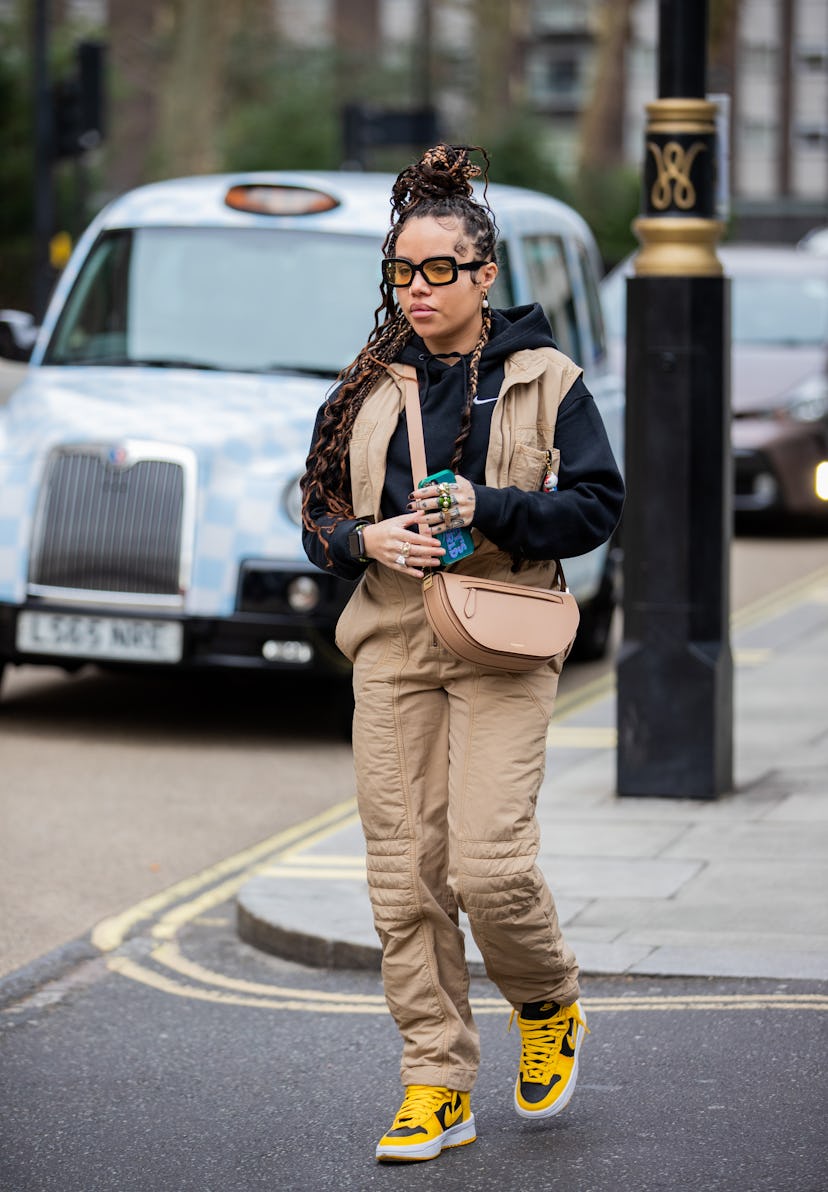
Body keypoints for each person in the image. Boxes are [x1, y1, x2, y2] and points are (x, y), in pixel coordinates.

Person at [301, 143, 624, 1164]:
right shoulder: (364, 383)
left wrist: (489, 506)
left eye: (440, 270)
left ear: (486, 275)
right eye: (403, 270)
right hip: (393, 639)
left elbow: (597, 507)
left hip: (501, 635)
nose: (419, 289)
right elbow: (312, 509)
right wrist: (363, 538)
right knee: (405, 877)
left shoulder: (546, 378)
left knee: (488, 865)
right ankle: (435, 1080)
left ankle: (546, 998)